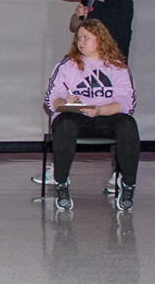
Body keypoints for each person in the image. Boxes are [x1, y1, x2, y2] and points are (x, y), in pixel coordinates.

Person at [27, 0, 133, 190]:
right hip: (86, 66)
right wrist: (79, 15)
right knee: (66, 108)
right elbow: (75, 26)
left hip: (110, 66)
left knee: (117, 116)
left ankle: (119, 175)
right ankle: (60, 168)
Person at [44, 19, 138, 211]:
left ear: (100, 40)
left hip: (106, 115)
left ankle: (127, 185)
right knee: (64, 124)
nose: (81, 42)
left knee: (128, 125)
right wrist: (64, 103)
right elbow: (52, 96)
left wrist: (100, 110)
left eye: (87, 37)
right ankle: (61, 184)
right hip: (77, 115)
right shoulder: (67, 66)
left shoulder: (118, 67)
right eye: (79, 38)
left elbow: (127, 102)